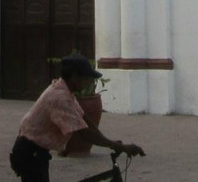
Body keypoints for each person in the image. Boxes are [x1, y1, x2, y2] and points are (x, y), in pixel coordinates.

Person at [10, 54, 145, 181]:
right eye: (86, 78)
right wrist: (117, 146)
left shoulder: (66, 91)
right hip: (29, 152)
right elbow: (83, 132)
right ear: (74, 76)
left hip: (37, 151)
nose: (88, 83)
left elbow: (84, 119)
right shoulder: (59, 97)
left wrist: (111, 143)